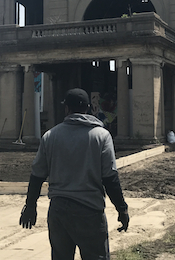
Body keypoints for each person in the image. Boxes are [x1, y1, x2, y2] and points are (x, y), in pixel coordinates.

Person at [19, 88, 129, 260]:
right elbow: (110, 177)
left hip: (58, 211)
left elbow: (37, 175)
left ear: (66, 109)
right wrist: (121, 209)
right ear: (88, 109)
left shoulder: (50, 136)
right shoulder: (101, 136)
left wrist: (30, 205)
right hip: (90, 211)